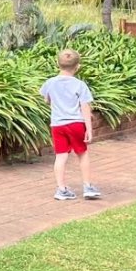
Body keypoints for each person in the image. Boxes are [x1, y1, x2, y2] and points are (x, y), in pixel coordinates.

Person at [41, 49, 101, 201]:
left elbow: (46, 100)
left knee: (61, 156)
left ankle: (61, 189)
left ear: (57, 64)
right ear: (77, 67)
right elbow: (85, 107)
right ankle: (87, 186)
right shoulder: (80, 85)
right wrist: (89, 128)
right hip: (75, 123)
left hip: (57, 125)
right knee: (82, 153)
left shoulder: (50, 83)